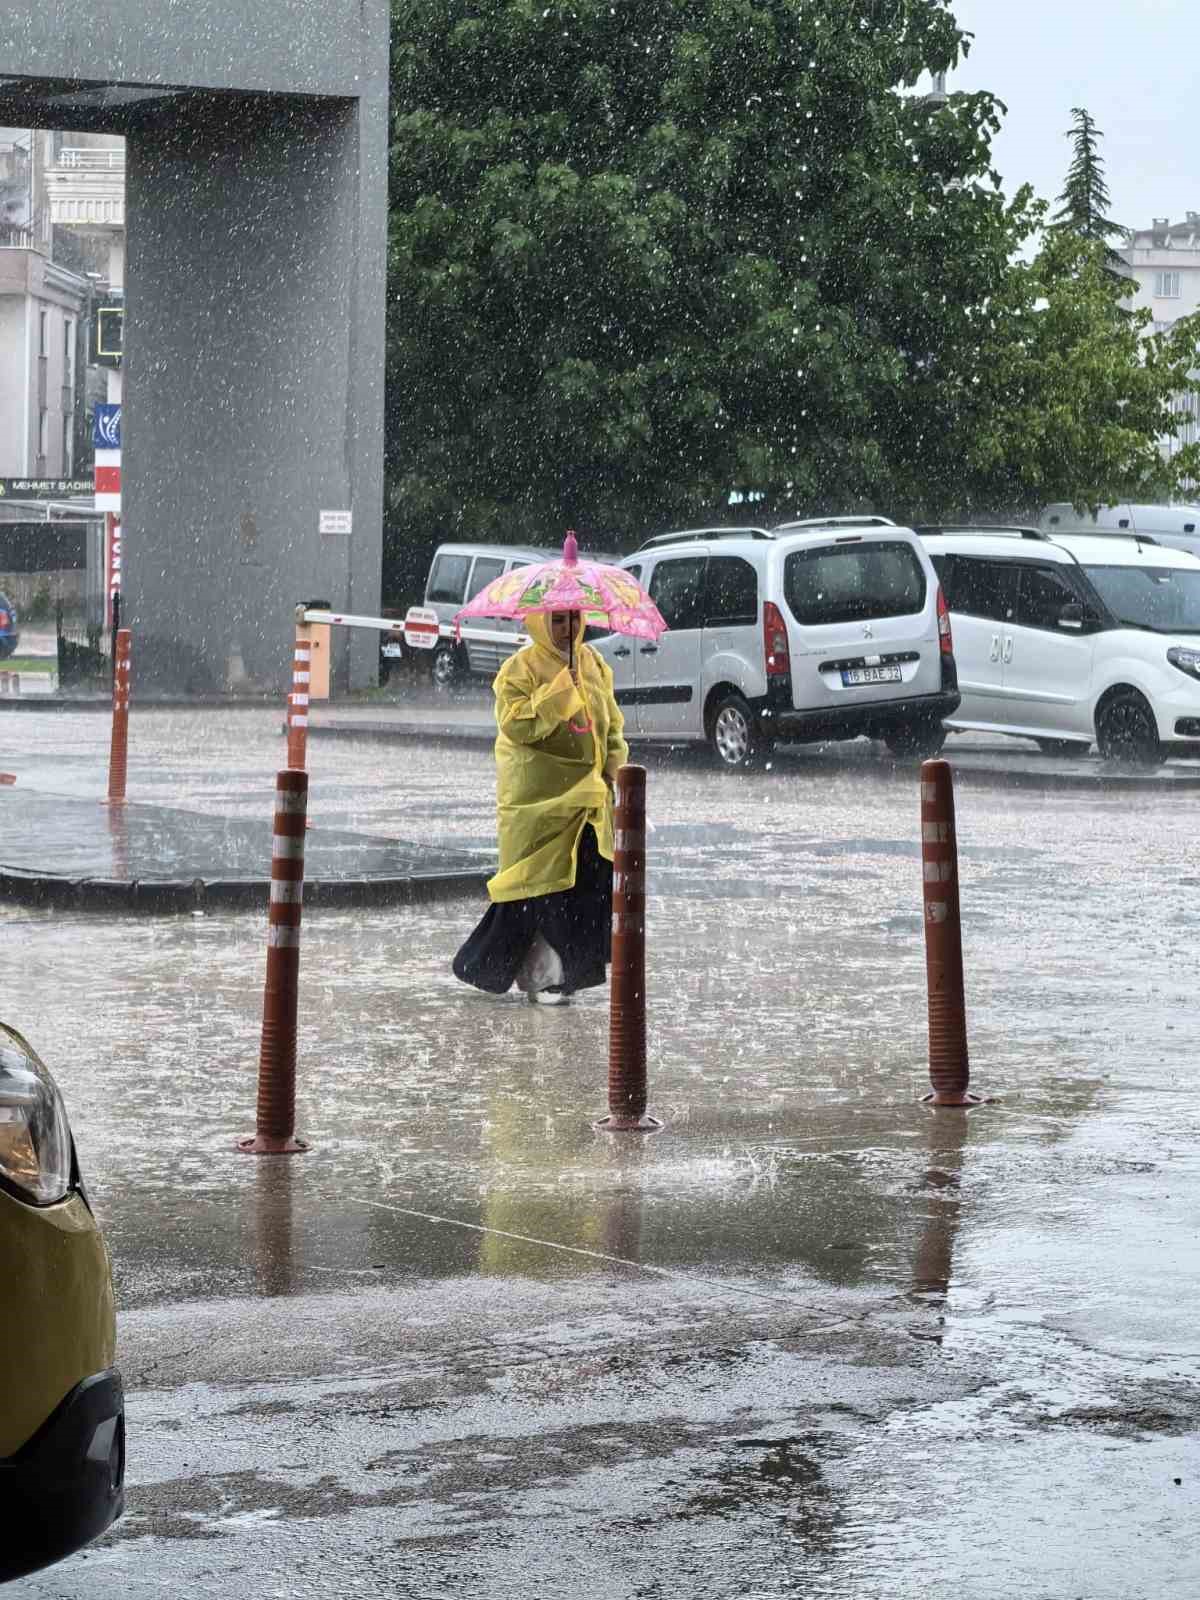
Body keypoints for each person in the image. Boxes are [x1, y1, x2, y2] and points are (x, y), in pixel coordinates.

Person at [453, 608, 629, 1004]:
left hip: (589, 802)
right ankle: (545, 975)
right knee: (538, 888)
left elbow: (612, 727)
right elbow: (518, 725)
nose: (568, 629)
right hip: (538, 805)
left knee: (588, 882)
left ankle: (560, 972)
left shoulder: (595, 664)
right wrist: (560, 690)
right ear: (538, 623)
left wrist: (616, 771)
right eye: (557, 620)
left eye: (573, 618)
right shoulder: (519, 670)